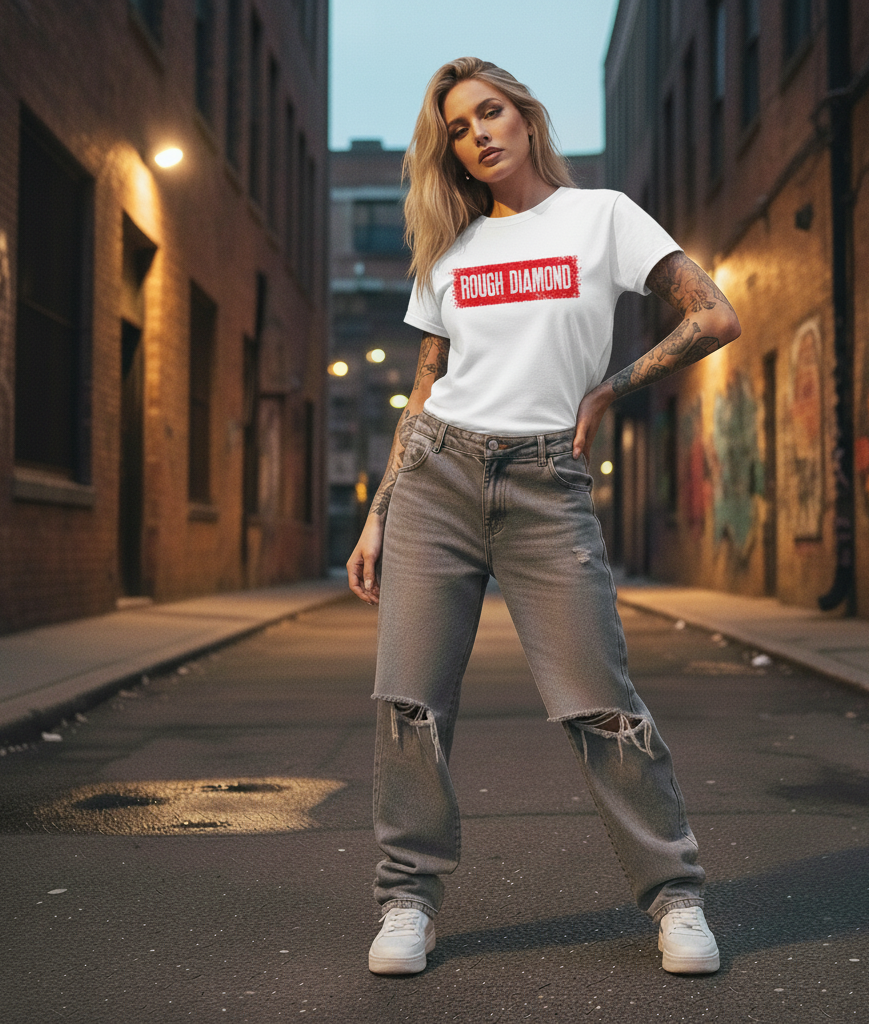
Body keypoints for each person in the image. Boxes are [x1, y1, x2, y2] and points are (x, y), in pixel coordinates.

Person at [347, 57, 741, 977]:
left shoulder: (600, 215)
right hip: (438, 473)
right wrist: (380, 513)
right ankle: (407, 899)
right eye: (458, 126)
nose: (479, 134)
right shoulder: (449, 252)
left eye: (491, 113)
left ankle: (675, 896)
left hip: (543, 481)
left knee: (600, 704)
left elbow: (714, 315)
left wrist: (609, 388)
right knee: (409, 705)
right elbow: (425, 388)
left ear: (525, 119)